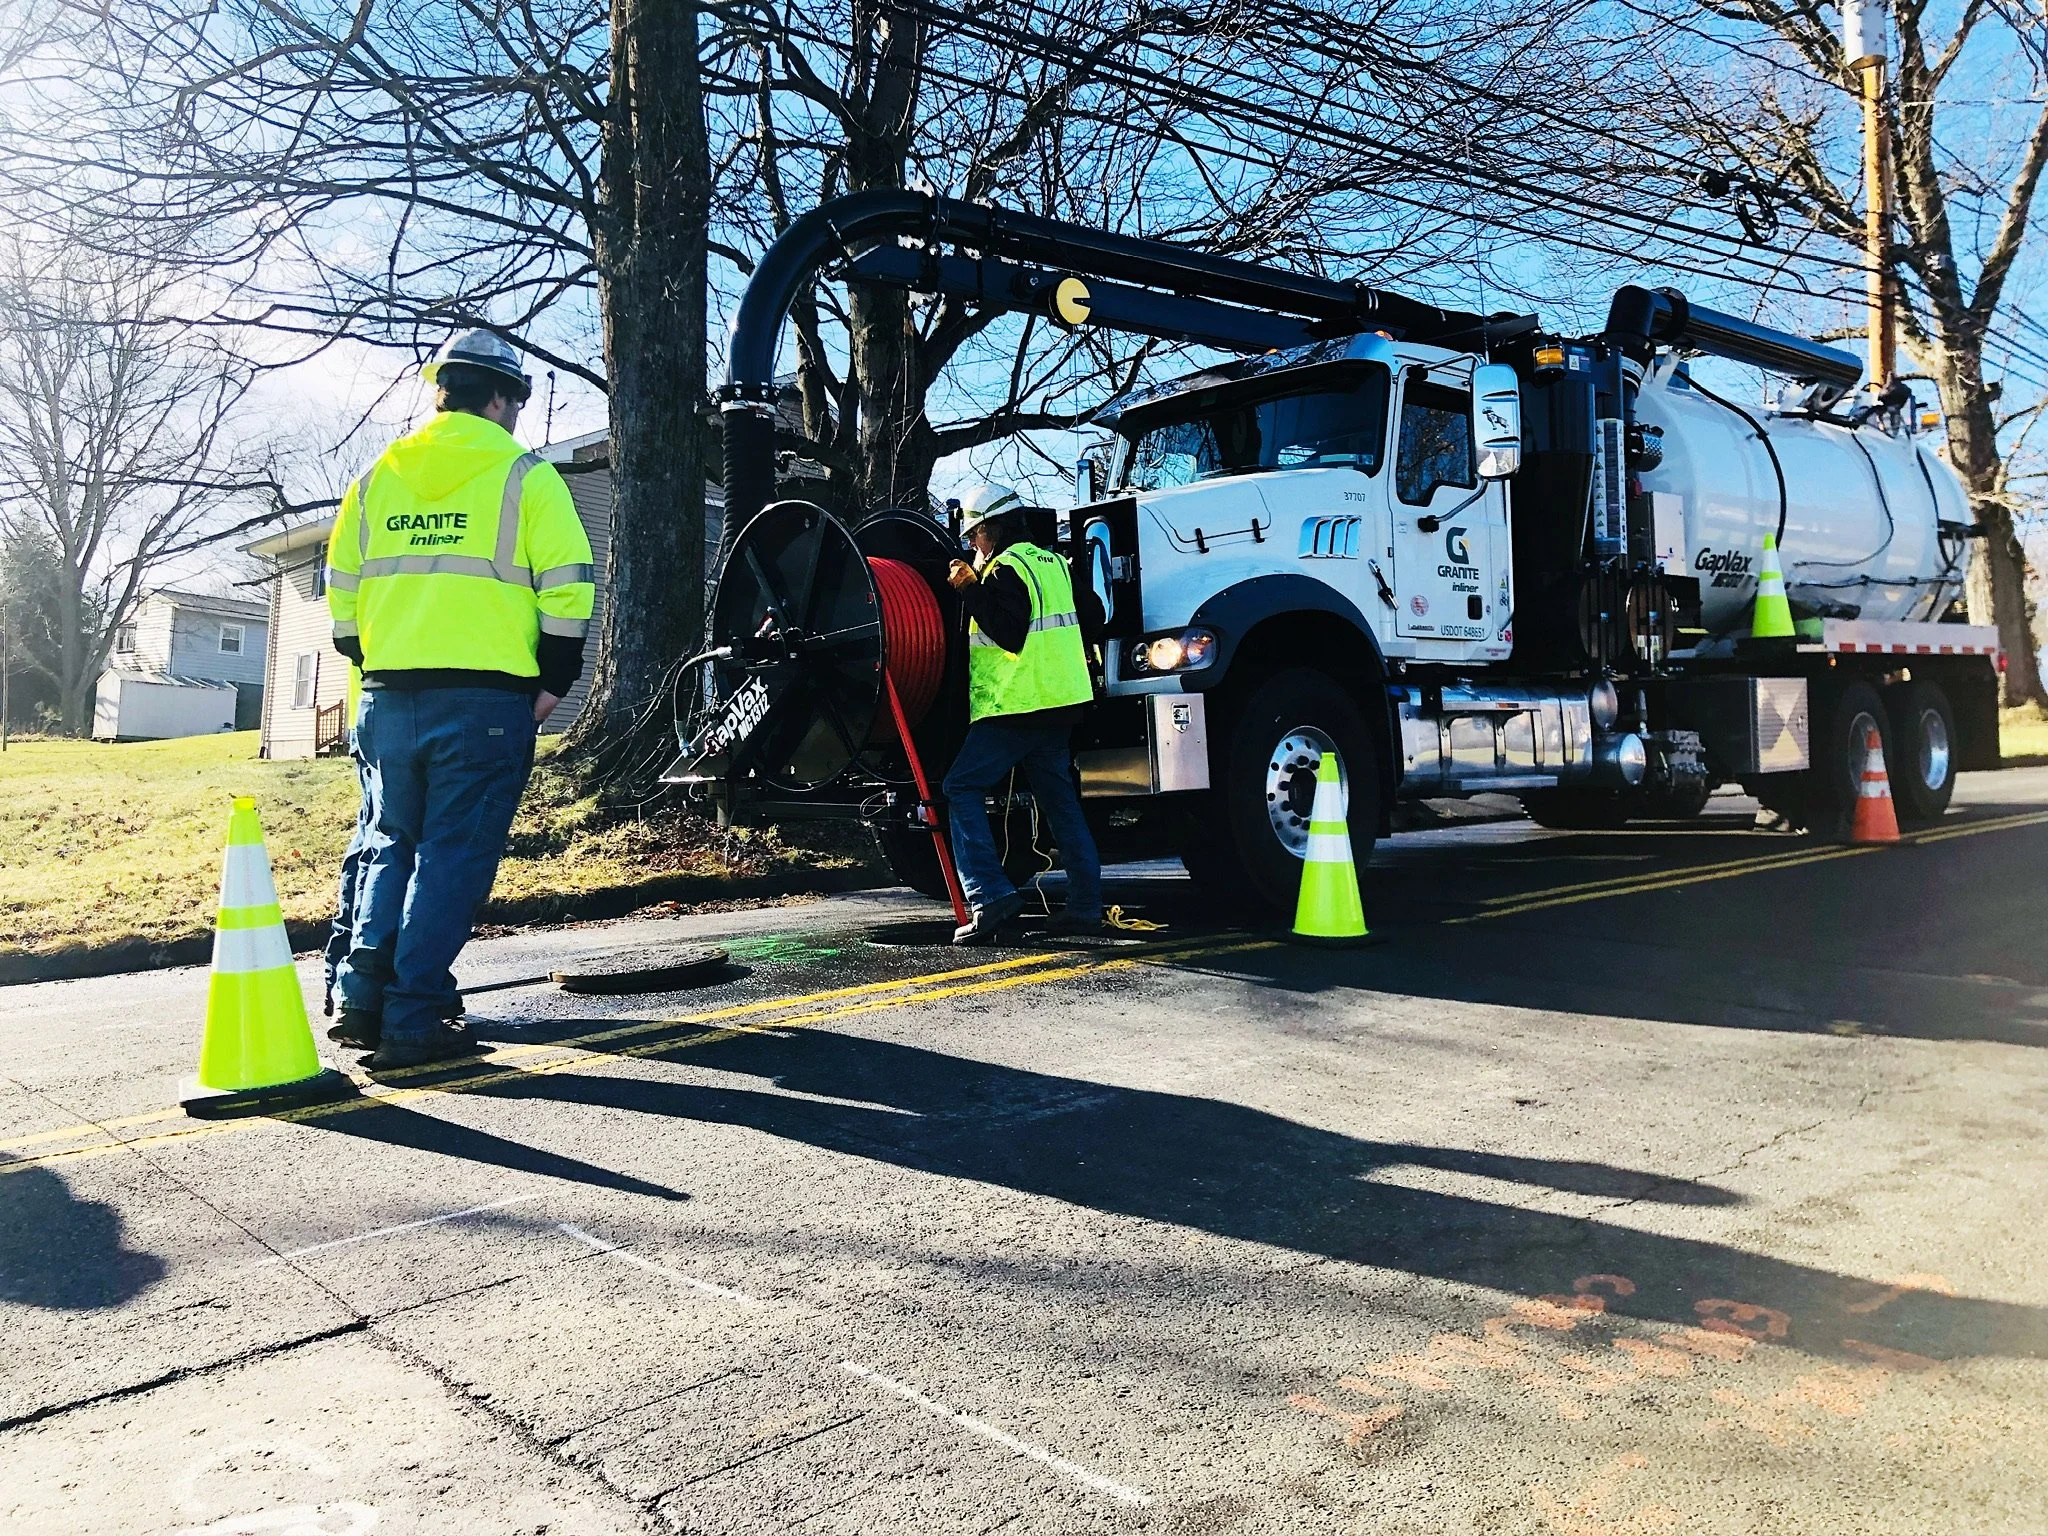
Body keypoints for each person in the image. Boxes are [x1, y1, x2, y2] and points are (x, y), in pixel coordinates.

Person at [325, 329, 595, 1069]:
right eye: (516, 401)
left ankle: (361, 998)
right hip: (484, 702)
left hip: (388, 694)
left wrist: (375, 665)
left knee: (387, 846)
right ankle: (414, 1018)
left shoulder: (378, 477)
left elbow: (340, 597)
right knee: (452, 858)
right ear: (502, 398)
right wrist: (552, 686)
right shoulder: (525, 476)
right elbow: (569, 592)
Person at [940, 483, 1104, 945]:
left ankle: (990, 897)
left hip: (1017, 705)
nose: (973, 545)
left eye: (975, 536)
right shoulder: (1055, 563)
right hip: (1061, 703)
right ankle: (1086, 907)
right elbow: (1092, 616)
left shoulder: (1006, 568)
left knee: (961, 786)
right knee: (1061, 803)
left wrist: (972, 591)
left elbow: (1009, 634)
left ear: (992, 528)